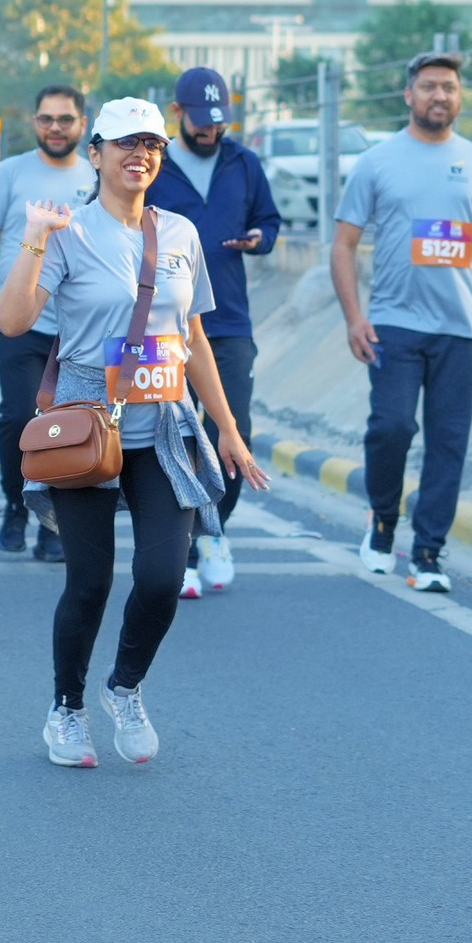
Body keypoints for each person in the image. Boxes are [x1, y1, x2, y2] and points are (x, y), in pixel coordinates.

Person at [0, 96, 266, 769]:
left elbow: (193, 338)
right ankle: (66, 708)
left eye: (152, 144)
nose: (140, 154)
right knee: (89, 583)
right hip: (88, 424)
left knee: (163, 577)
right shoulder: (67, 231)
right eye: (125, 143)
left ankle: (125, 686)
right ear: (96, 154)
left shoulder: (179, 234)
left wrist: (227, 427)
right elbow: (13, 320)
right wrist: (35, 235)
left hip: (163, 427)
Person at [330, 51, 472, 592]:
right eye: (430, 86)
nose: (440, 95)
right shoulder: (378, 162)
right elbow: (343, 245)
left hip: (462, 329)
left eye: (450, 88)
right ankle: (383, 518)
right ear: (409, 94)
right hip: (393, 323)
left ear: (460, 98)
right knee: (391, 428)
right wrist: (354, 318)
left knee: (448, 444)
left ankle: (429, 552)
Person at [148, 67, 283, 598]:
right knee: (174, 435)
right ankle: (179, 550)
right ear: (177, 113)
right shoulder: (154, 164)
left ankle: (213, 532)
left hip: (228, 320)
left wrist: (259, 238)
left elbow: (270, 220)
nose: (211, 131)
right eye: (201, 122)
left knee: (234, 428)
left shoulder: (244, 163)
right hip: (163, 324)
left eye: (219, 121)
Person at [0, 84, 97, 562]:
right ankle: (15, 506)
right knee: (19, 419)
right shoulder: (10, 172)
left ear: (82, 124)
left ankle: (54, 521)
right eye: (46, 119)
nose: (55, 128)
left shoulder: (97, 173)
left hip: (79, 333)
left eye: (65, 119)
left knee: (69, 427)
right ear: (34, 122)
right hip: (23, 325)